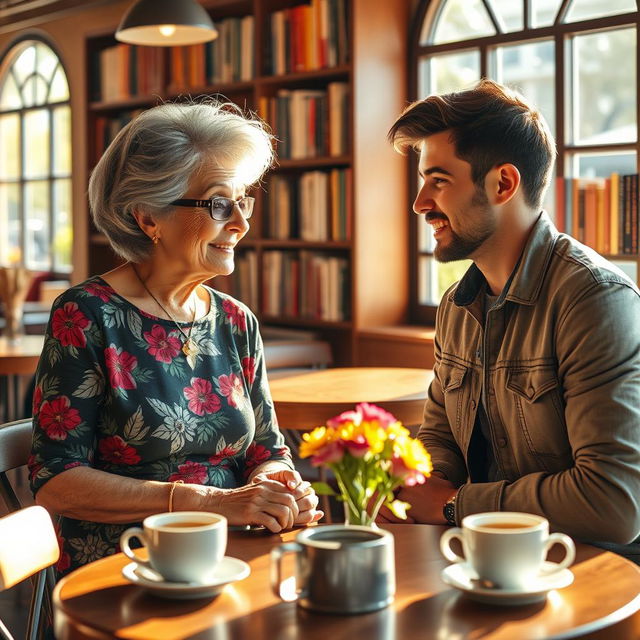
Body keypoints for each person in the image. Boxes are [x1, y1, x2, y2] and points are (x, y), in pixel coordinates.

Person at [28, 101, 322, 576]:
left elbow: (267, 451)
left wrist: (278, 487)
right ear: (148, 217)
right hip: (126, 565)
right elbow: (56, 481)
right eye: (219, 203)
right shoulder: (86, 314)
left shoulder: (235, 320)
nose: (241, 223)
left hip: (235, 556)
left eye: (243, 200)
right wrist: (211, 501)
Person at [379, 79, 640, 563]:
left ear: (503, 184)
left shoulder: (595, 298)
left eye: (438, 180)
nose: (419, 203)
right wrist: (415, 489)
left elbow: (614, 503)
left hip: (591, 566)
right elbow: (439, 438)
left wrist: (456, 505)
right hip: (486, 555)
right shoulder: (457, 303)